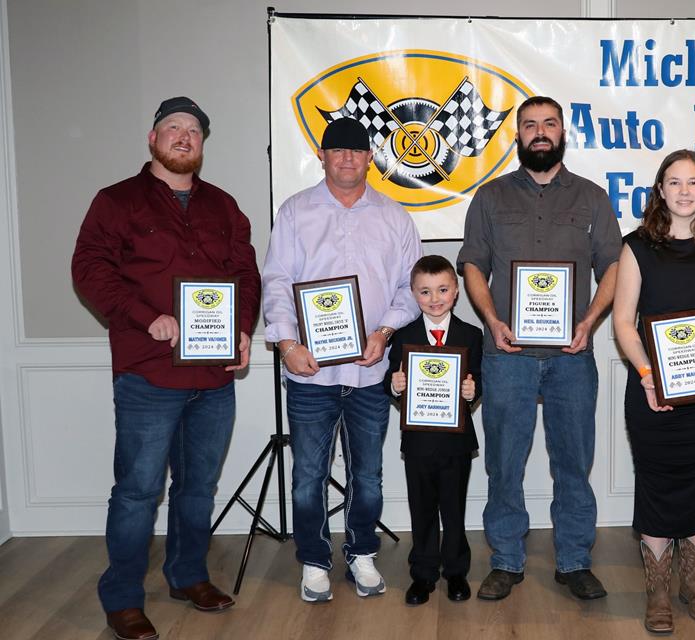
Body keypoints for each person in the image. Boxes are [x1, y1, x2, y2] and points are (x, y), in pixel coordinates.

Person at [72, 96, 261, 640]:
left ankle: (187, 575)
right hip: (148, 374)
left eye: (194, 130)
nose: (184, 136)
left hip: (213, 377)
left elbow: (246, 273)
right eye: (173, 127)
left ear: (202, 144)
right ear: (153, 139)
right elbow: (88, 268)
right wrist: (144, 316)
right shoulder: (116, 201)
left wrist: (242, 328)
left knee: (198, 488)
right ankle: (123, 598)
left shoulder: (224, 206)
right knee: (137, 491)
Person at [456, 96, 623, 601]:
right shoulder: (490, 198)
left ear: (563, 132)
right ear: (518, 136)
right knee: (504, 462)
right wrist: (492, 321)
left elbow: (613, 266)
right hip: (507, 354)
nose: (540, 132)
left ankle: (574, 561)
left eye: (550, 123)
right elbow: (472, 264)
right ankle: (506, 559)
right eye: (530, 125)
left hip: (572, 355)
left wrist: (590, 322)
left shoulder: (592, 198)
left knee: (573, 461)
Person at [261, 117, 422, 603]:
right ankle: (314, 561)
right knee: (307, 477)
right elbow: (276, 281)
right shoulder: (295, 212)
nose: (347, 158)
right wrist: (287, 345)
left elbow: (410, 287)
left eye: (356, 150)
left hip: (370, 371)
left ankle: (361, 553)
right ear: (322, 156)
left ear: (370, 158)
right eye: (337, 150)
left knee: (367, 476)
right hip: (309, 374)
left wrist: (385, 330)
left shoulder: (394, 216)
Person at [613, 150, 695, 633]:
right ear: (660, 191)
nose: (684, 191)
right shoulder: (636, 247)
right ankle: (658, 592)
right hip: (651, 389)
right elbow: (624, 323)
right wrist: (648, 373)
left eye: (693, 182)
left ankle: (694, 584)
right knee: (656, 482)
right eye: (674, 182)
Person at [383, 255, 482, 606]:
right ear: (414, 293)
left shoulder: (471, 335)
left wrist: (472, 392)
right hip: (419, 442)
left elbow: (478, 379)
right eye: (425, 291)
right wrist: (394, 385)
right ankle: (423, 573)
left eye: (442, 289)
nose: (434, 298)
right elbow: (390, 380)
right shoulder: (403, 337)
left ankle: (455, 571)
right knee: (422, 508)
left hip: (456, 442)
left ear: (455, 292)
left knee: (453, 509)